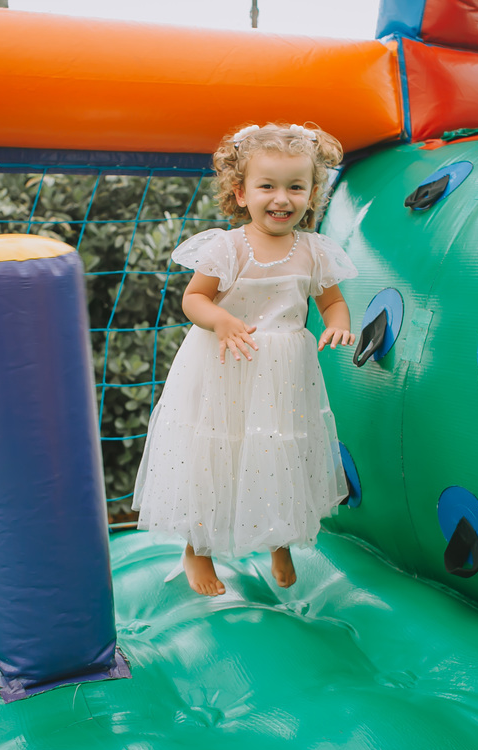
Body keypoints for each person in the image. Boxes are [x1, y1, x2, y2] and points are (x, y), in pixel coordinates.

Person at [133, 122, 357, 597]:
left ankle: (281, 540)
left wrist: (338, 321)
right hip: (223, 365)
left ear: (313, 192)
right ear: (240, 191)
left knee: (280, 454)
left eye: (295, 187)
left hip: (281, 375)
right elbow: (193, 300)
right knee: (212, 454)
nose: (282, 198)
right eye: (267, 186)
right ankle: (197, 550)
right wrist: (221, 320)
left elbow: (331, 303)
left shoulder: (314, 252)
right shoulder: (227, 247)